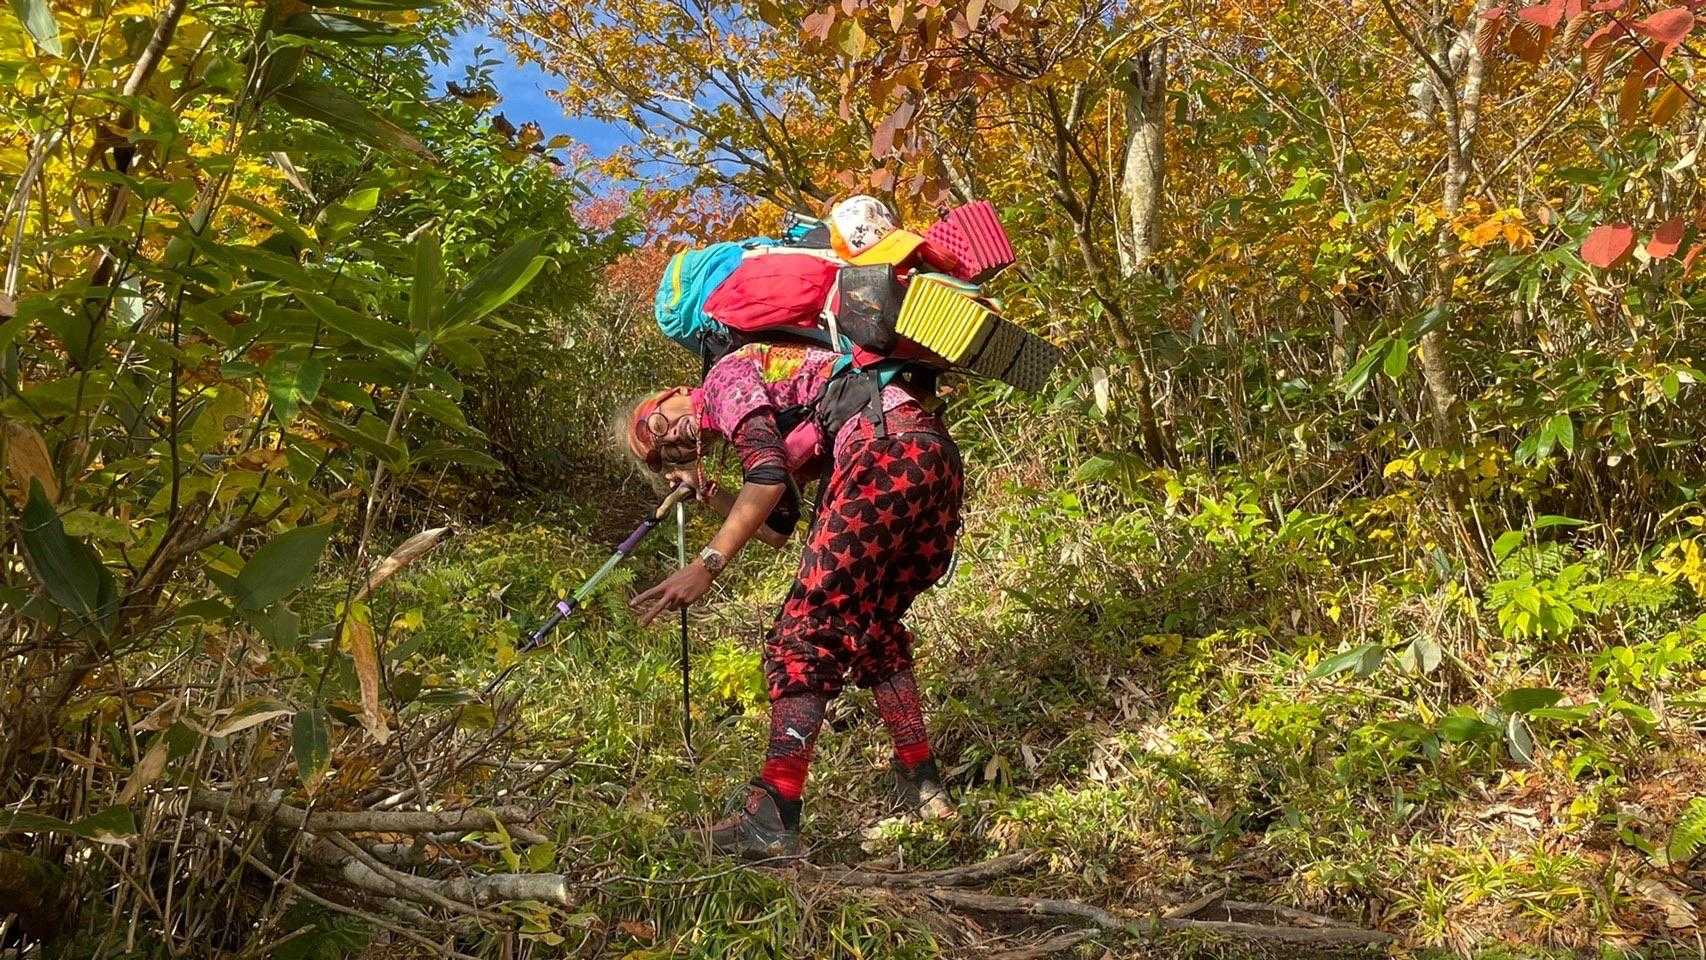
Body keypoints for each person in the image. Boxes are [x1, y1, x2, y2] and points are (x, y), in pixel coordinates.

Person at [624, 341, 963, 857]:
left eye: (658, 424)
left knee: (802, 636)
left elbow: (765, 476)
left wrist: (706, 564)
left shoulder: (723, 380)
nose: (671, 438)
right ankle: (922, 783)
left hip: (880, 452)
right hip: (930, 457)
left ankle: (772, 817)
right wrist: (710, 491)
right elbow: (778, 525)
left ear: (672, 394)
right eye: (663, 452)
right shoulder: (756, 408)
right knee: (874, 628)